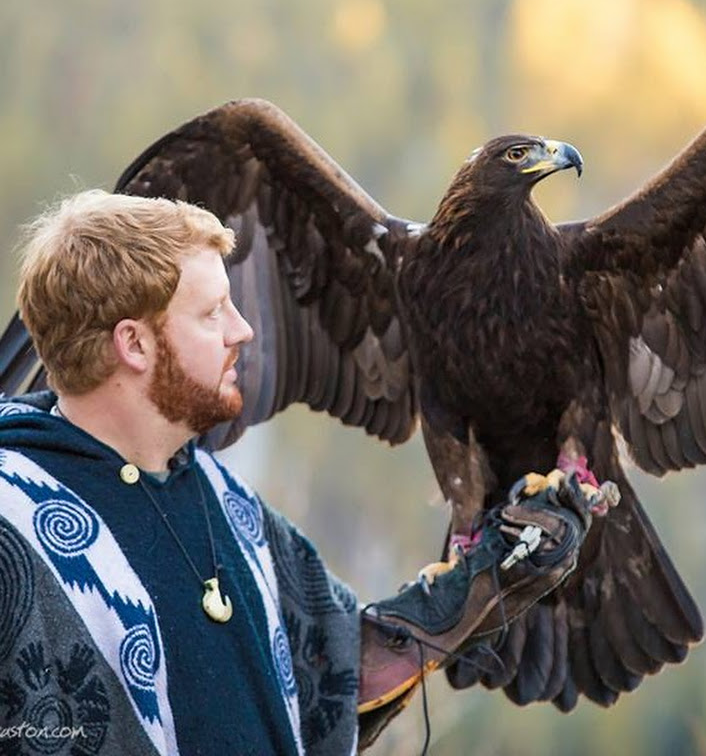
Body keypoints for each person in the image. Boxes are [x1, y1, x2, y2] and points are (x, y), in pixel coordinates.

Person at [0, 190, 591, 755]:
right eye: (211, 314)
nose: (243, 329)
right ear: (133, 343)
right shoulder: (13, 528)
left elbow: (323, 686)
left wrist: (482, 584)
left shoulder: (226, 501)